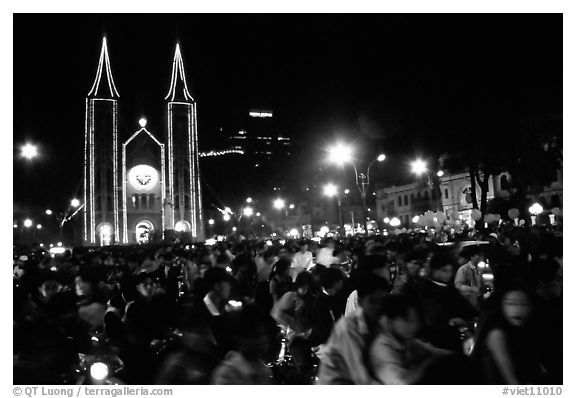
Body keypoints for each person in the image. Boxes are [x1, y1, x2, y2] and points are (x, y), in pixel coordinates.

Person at [317, 275, 390, 384]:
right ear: (360, 302)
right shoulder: (347, 328)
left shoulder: (381, 321)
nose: (378, 306)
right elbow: (360, 375)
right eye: (372, 301)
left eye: (382, 301)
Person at [370, 295, 449, 384]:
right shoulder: (381, 349)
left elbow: (434, 351)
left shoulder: (406, 341)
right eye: (410, 320)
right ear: (391, 321)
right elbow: (401, 382)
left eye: (416, 320)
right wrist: (429, 363)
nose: (415, 326)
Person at [474, 284, 544, 384]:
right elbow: (511, 381)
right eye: (511, 304)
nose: (518, 309)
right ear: (501, 306)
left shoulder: (526, 332)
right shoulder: (497, 335)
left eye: (524, 304)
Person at [415, 250, 477, 351]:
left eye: (450, 271)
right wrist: (451, 321)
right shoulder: (425, 290)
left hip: (453, 338)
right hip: (437, 342)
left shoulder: (448, 288)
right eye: (444, 271)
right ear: (433, 270)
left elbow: (466, 308)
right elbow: (432, 317)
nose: (448, 274)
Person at [212, 306, 273, 384]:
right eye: (257, 335)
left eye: (265, 334)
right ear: (241, 338)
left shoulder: (265, 371)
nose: (264, 339)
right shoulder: (227, 375)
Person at [270, 271, 315, 377]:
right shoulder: (290, 297)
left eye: (307, 287)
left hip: (308, 335)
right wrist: (290, 322)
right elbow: (277, 313)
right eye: (303, 287)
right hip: (294, 336)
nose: (305, 290)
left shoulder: (311, 298)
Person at [309, 268, 346, 347]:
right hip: (325, 344)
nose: (342, 282)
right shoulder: (320, 302)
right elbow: (322, 327)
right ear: (335, 283)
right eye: (340, 280)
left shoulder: (339, 297)